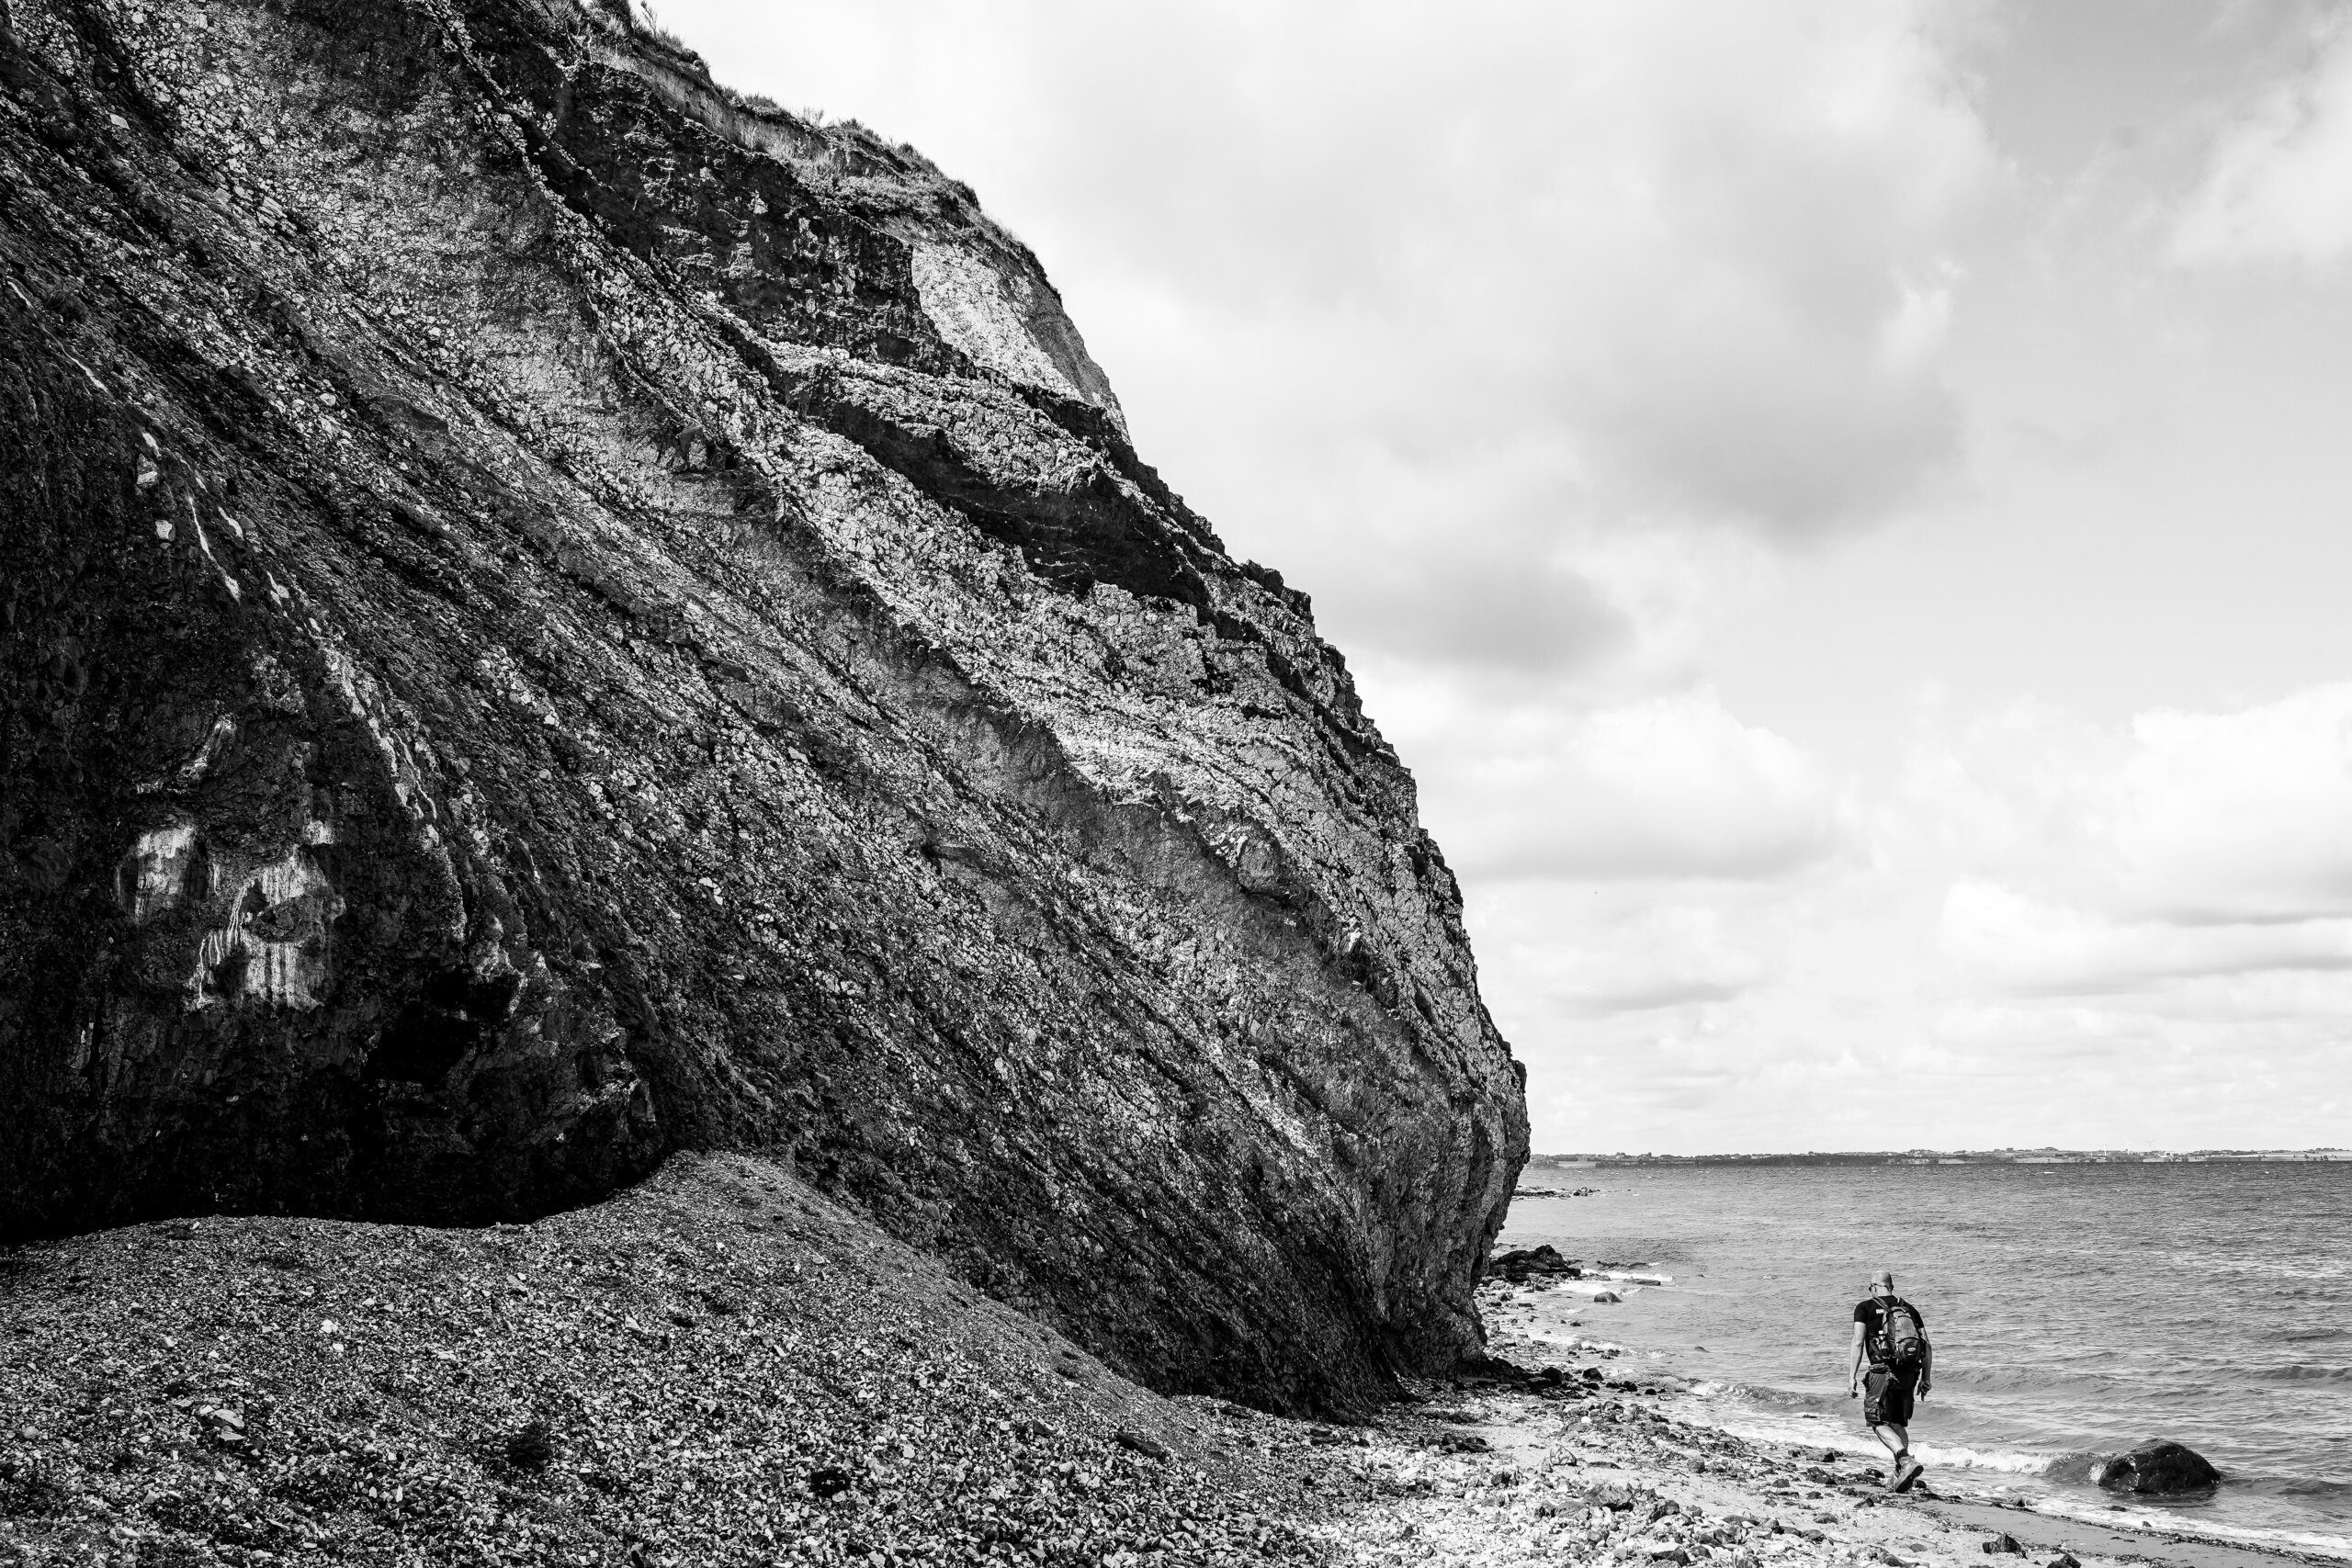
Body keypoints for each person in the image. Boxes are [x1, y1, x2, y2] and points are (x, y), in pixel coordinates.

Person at [1848, 1268, 1932, 1492]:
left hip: (1881, 1373)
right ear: (1891, 1287)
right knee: (1897, 1423)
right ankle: (1901, 1473)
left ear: (1876, 1287)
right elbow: (1927, 1346)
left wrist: (1852, 1376)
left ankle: (1905, 1460)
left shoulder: (1865, 1307)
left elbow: (1858, 1341)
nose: (1870, 1290)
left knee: (1877, 1423)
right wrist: (1926, 1378)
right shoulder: (1909, 1309)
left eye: (1870, 1287)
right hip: (1909, 1373)